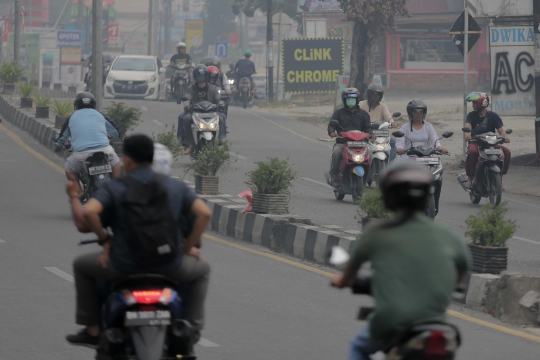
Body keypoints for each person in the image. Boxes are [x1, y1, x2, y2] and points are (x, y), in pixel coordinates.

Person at [66, 135, 212, 349]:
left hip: (124, 266)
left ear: (127, 160)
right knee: (203, 269)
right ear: (152, 160)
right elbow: (204, 213)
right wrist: (187, 248)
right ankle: (192, 326)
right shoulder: (175, 187)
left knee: (81, 265)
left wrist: (105, 240)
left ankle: (93, 330)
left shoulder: (115, 188)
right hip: (170, 265)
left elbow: (88, 215)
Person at [332, 161, 471, 360]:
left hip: (391, 322)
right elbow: (461, 271)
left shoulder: (377, 232)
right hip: (437, 325)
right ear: (426, 195)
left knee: (358, 347)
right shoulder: (447, 235)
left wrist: (342, 281)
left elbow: (350, 271)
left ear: (388, 196)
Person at [54, 92, 121, 202]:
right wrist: (114, 137)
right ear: (93, 104)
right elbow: (115, 132)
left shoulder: (72, 118)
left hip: (81, 155)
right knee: (116, 162)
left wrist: (58, 146)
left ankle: (80, 193)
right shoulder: (100, 115)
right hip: (105, 150)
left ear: (76, 105)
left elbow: (62, 138)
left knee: (69, 169)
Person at [395, 99, 448, 214]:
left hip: (426, 159)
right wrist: (400, 149)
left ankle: (434, 203)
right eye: (416, 111)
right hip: (409, 158)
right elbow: (400, 143)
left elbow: (436, 142)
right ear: (410, 113)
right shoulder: (404, 128)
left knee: (438, 177)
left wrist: (440, 148)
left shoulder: (428, 127)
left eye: (421, 111)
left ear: (424, 112)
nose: (418, 113)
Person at [464, 92, 511, 189]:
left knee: (506, 152)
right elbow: (467, 126)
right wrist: (467, 135)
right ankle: (469, 177)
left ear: (480, 104)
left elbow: (501, 131)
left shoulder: (493, 116)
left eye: (474, 103)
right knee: (472, 152)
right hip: (476, 142)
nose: (472, 105)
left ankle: (500, 176)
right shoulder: (471, 115)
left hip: (492, 143)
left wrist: (505, 137)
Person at [328, 88, 374, 185]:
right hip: (343, 142)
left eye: (353, 98)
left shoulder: (364, 114)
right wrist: (332, 132)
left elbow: (368, 127)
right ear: (344, 100)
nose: (350, 100)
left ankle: (369, 175)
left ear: (357, 99)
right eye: (348, 98)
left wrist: (371, 134)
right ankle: (334, 175)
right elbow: (331, 126)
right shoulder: (338, 113)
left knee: (370, 152)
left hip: (360, 143)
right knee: (336, 153)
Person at [176, 64, 226, 154]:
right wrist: (186, 105)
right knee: (185, 118)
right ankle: (190, 143)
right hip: (195, 111)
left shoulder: (213, 88)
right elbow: (187, 96)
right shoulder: (191, 87)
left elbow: (218, 97)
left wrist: (221, 104)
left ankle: (218, 141)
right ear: (195, 76)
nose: (201, 78)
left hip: (211, 111)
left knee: (221, 118)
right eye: (199, 76)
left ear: (207, 76)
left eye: (203, 76)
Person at [358, 84, 398, 162]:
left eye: (378, 94)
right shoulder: (361, 104)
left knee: (394, 143)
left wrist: (392, 122)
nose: (376, 96)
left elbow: (388, 116)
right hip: (365, 132)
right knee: (359, 145)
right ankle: (362, 162)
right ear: (369, 94)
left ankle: (390, 163)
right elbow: (358, 116)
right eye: (373, 94)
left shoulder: (383, 106)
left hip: (380, 132)